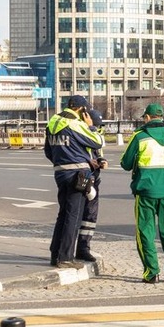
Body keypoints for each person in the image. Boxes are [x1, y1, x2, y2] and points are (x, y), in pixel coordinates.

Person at [120, 103, 164, 284]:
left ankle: (151, 272)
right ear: (161, 117)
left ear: (147, 117)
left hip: (145, 191)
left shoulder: (140, 136)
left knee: (145, 232)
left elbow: (126, 163)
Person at [43, 95, 103, 269]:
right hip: (77, 174)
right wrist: (90, 126)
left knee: (63, 214)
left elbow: (48, 151)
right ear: (81, 109)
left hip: (60, 173)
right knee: (73, 216)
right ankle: (66, 257)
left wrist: (61, 161)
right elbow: (97, 142)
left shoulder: (53, 122)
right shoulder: (75, 124)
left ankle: (55, 254)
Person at [77, 108, 109, 262]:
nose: (98, 129)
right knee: (75, 215)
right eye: (96, 126)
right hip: (81, 178)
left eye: (99, 127)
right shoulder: (81, 134)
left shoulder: (96, 136)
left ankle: (84, 247)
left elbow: (99, 153)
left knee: (90, 217)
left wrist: (102, 161)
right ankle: (71, 248)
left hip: (94, 179)